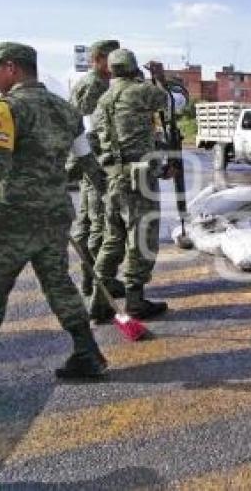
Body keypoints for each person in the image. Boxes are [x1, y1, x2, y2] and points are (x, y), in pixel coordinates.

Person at [0, 41, 108, 379]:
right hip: (55, 214)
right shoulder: (67, 111)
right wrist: (106, 198)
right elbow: (88, 163)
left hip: (12, 217)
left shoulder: (7, 109)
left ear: (12, 67)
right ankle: (88, 353)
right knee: (59, 283)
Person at [89, 49, 172, 321]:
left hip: (112, 177)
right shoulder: (139, 91)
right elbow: (168, 102)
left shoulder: (102, 101)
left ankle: (99, 299)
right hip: (138, 178)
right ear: (134, 68)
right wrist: (158, 78)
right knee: (141, 237)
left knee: (113, 237)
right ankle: (135, 301)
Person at [70, 39, 126, 302]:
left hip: (87, 160)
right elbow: (90, 129)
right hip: (94, 162)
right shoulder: (94, 85)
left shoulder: (96, 83)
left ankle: (91, 280)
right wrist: (97, 168)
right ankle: (97, 284)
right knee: (99, 224)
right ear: (100, 59)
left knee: (86, 223)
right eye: (112, 57)